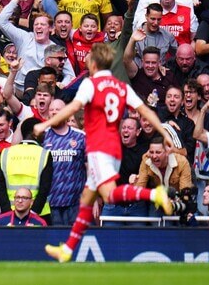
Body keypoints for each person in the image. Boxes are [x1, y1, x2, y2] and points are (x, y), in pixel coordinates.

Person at [35, 43, 175, 263]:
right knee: (87, 198)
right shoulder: (122, 87)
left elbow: (72, 108)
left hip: (99, 147)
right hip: (113, 148)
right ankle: (68, 249)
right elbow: (145, 110)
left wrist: (45, 125)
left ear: (93, 63)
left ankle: (154, 194)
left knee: (109, 195)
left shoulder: (91, 84)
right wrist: (163, 132)